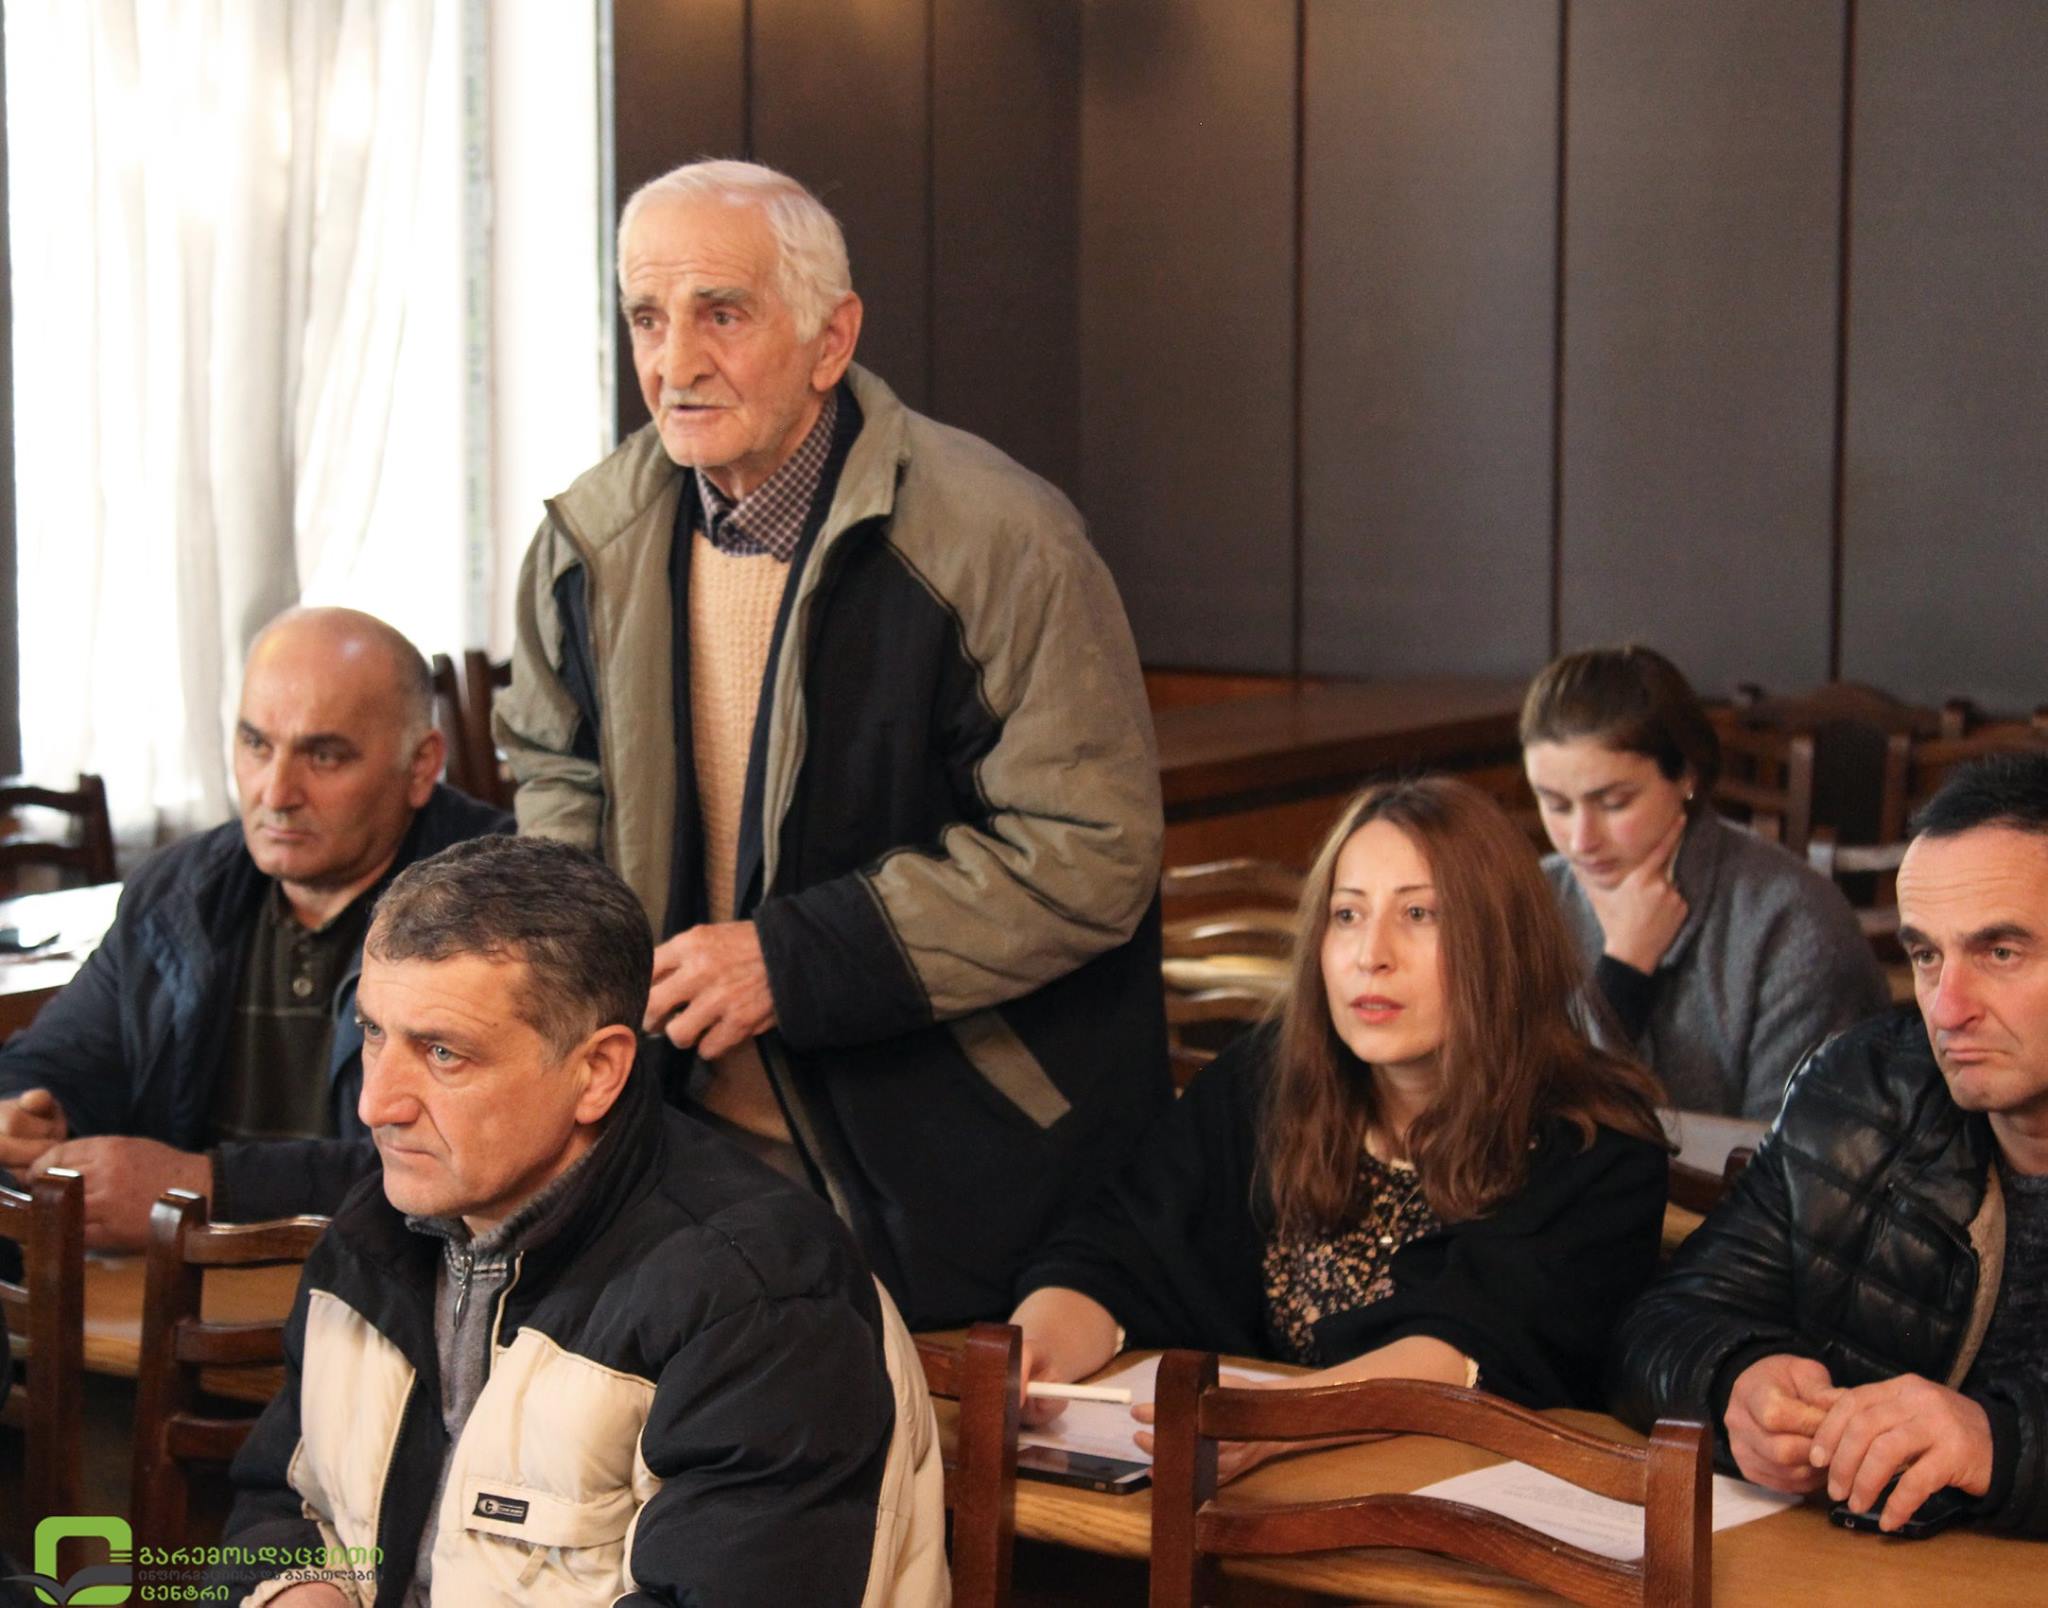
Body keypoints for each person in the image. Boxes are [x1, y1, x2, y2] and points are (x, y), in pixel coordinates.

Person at [495, 158, 1166, 1327]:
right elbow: (554, 773)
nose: (674, 362)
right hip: (677, 1158)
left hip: (959, 1167)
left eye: (721, 313)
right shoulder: (583, 544)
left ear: (830, 338)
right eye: (647, 317)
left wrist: (794, 960)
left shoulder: (1000, 540)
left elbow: (1093, 850)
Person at [221, 835, 943, 1607]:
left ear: (597, 1072)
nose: (376, 1104)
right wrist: (294, 1589)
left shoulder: (760, 1298)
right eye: (373, 1032)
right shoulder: (371, 1237)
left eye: (442, 1053)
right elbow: (277, 1501)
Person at [1010, 778, 1671, 1480]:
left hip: (1461, 1514)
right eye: (1347, 915)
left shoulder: (1596, 1142)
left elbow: (1472, 1343)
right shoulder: (1265, 1079)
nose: (1370, 954)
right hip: (1261, 1502)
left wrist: (1282, 1421)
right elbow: (1120, 1247)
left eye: (1419, 913)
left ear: (1500, 943)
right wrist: (1031, 1350)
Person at [1611, 752, 2048, 1537]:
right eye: (1926, 955)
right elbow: (1658, 1326)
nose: (1946, 1008)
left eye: (2001, 953)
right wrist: (1734, 1382)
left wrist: (2001, 1444)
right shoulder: (1861, 1094)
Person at [0, 608, 508, 1247]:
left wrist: (211, 1187)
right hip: (187, 1285)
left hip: (407, 1287)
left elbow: (478, 1159)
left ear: (420, 766)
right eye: (257, 745)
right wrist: (25, 1111)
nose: (276, 792)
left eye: (323, 755)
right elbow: (56, 1061)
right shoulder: (179, 892)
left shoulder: (499, 907)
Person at [1520, 645, 1888, 1118]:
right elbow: (1514, 1119)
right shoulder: (1529, 899)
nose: (1579, 840)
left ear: (1687, 776)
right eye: (1555, 804)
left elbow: (1791, 1150)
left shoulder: (1795, 924)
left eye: (1613, 803)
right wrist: (1622, 972)